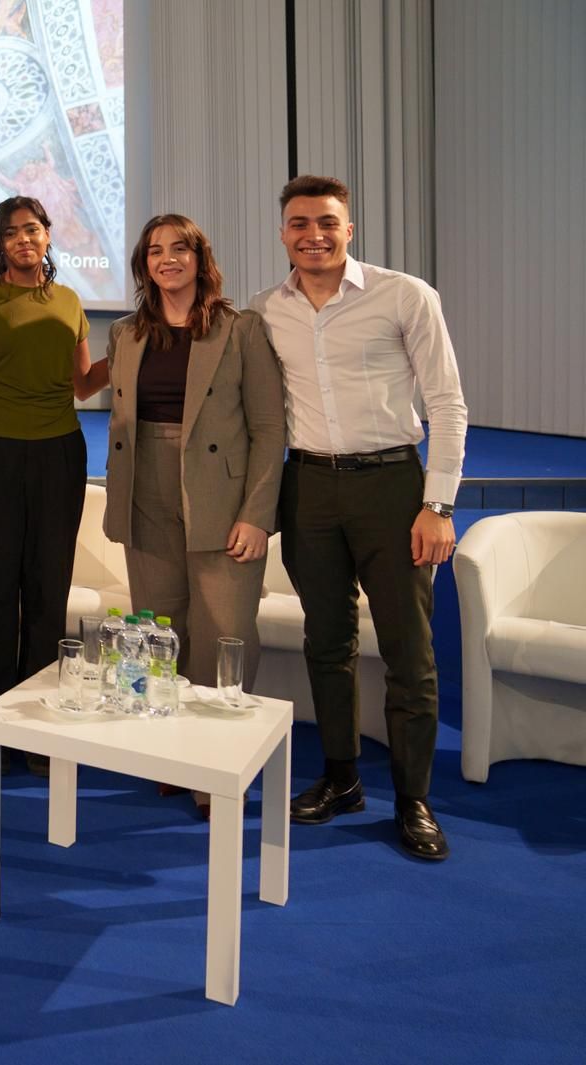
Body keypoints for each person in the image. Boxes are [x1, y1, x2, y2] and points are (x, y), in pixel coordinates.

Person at [252, 175, 466, 861]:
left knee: (409, 650)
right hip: (308, 486)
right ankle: (341, 779)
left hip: (392, 486)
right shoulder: (264, 312)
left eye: (326, 222)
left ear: (349, 228)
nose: (312, 234)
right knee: (328, 641)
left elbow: (448, 404)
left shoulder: (405, 295)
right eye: (298, 223)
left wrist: (438, 504)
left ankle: (414, 800)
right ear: (282, 232)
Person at [103, 214, 286, 817]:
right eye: (154, 251)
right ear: (143, 266)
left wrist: (257, 513)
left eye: (179, 248)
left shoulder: (240, 330)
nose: (166, 259)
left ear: (199, 258)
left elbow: (267, 428)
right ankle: (170, 750)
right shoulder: (127, 334)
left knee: (224, 630)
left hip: (220, 495)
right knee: (159, 629)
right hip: (144, 491)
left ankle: (218, 761)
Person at [0, 195, 107, 774]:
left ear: (47, 235)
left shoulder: (68, 300)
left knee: (47, 590)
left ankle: (38, 727)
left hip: (60, 453)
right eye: (10, 233)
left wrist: (139, 341)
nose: (22, 239)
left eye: (31, 229)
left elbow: (84, 385)